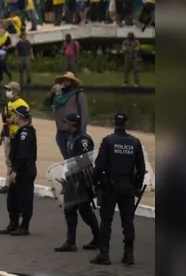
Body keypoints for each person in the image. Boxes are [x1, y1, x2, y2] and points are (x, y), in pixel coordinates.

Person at [90, 112, 146, 266]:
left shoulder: (108, 141)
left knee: (106, 221)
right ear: (126, 124)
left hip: (110, 186)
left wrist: (95, 183)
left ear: (113, 122)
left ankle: (104, 254)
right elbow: (141, 168)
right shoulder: (135, 142)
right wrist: (137, 186)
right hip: (127, 186)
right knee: (128, 221)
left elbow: (99, 166)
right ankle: (129, 255)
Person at [54, 113, 99, 253]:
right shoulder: (70, 138)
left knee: (85, 211)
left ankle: (98, 237)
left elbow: (85, 161)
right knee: (69, 209)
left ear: (73, 124)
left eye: (67, 122)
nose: (64, 124)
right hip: (71, 178)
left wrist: (81, 180)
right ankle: (70, 242)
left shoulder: (83, 140)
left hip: (81, 180)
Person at [0, 106, 37, 236]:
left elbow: (22, 155)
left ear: (20, 117)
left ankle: (24, 226)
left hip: (24, 171)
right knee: (12, 199)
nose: (13, 117)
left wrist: (14, 171)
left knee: (25, 198)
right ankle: (13, 223)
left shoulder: (26, 133)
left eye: (15, 115)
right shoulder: (21, 132)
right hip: (17, 169)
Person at [44, 72, 88, 159]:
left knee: (74, 158)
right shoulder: (58, 94)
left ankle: (75, 172)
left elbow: (84, 113)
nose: (65, 82)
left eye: (68, 80)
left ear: (72, 82)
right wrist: (51, 92)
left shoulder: (78, 94)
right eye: (63, 80)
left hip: (73, 132)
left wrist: (82, 131)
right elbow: (46, 103)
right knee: (66, 158)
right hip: (60, 132)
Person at [0, 82, 29, 194]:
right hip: (8, 136)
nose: (8, 92)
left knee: (16, 160)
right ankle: (9, 182)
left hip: (17, 136)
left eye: (10, 89)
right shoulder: (9, 104)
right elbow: (6, 122)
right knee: (8, 161)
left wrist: (12, 121)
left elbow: (28, 120)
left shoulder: (22, 104)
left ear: (16, 91)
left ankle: (13, 183)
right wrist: (1, 136)